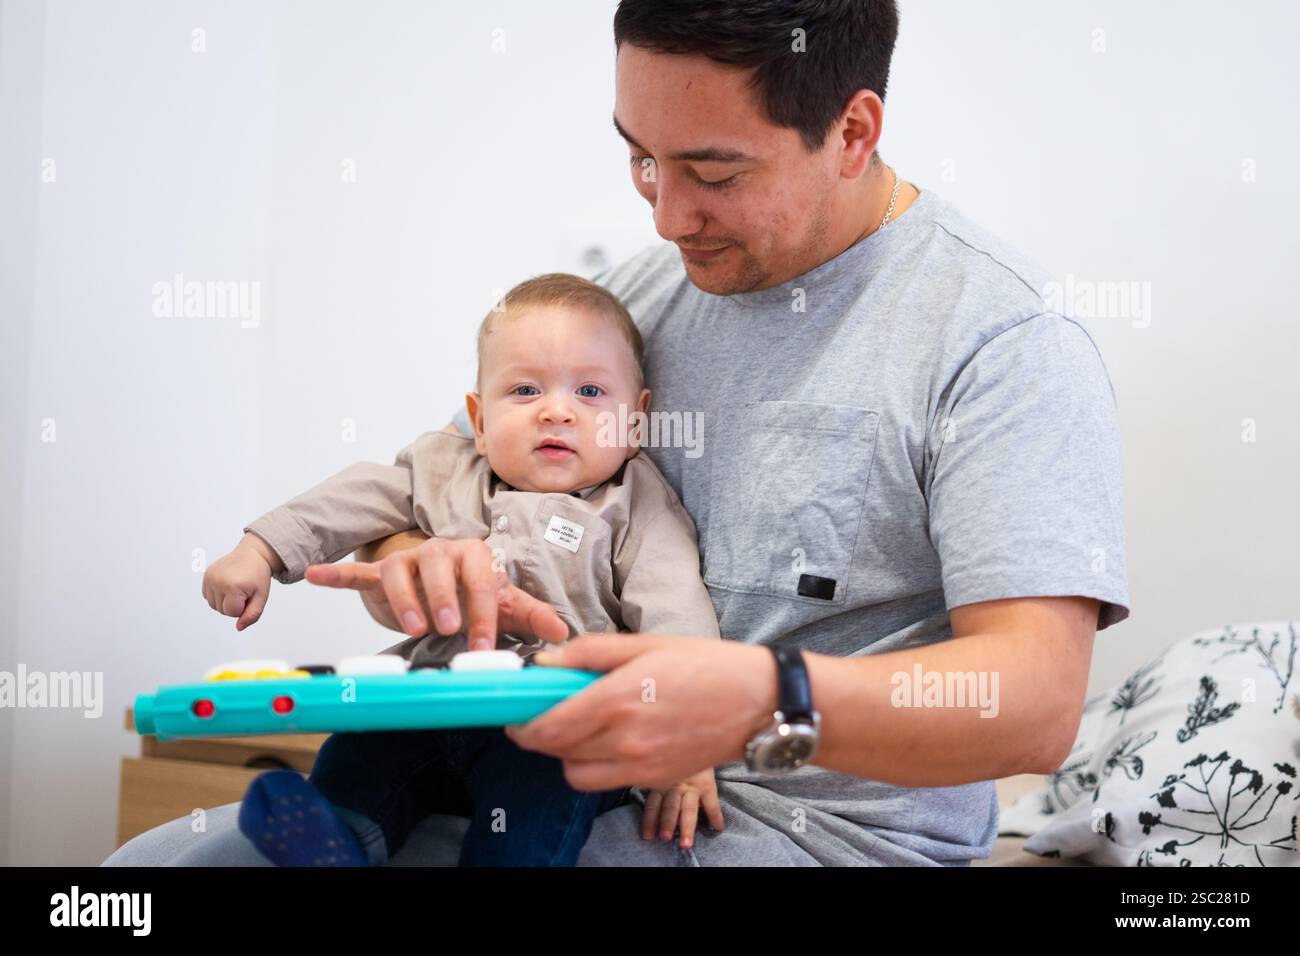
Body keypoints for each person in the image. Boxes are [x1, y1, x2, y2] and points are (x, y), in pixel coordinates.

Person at [105, 0, 1130, 867]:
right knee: (159, 864)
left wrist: (758, 699)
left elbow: (1034, 702)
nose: (666, 215)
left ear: (853, 130)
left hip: (802, 829)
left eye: (714, 173)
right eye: (640, 158)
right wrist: (419, 557)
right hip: (549, 763)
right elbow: (439, 482)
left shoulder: (1000, 341)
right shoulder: (639, 305)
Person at [199, 273, 723, 865]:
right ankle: (337, 841)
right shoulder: (447, 468)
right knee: (362, 747)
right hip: (431, 699)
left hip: (558, 723)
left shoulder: (638, 507)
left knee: (544, 788)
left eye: (591, 393)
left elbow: (677, 619)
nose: (557, 411)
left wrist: (687, 741)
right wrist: (259, 551)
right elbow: (349, 499)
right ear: (478, 417)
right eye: (525, 391)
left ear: (635, 421)